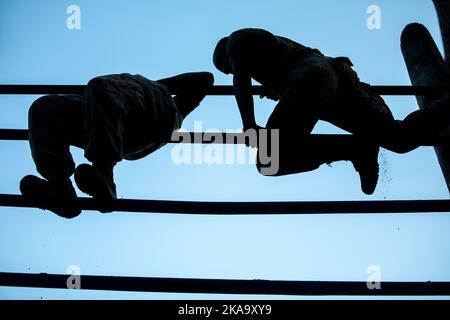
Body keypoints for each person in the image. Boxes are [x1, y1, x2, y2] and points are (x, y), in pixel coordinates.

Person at [213, 28, 450, 195]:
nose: (231, 70)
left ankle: (355, 149)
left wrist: (249, 124)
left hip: (313, 77)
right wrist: (275, 90)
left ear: (227, 51)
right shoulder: (276, 54)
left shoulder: (237, 39)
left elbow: (241, 79)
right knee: (399, 139)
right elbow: (284, 68)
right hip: (333, 76)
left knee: (269, 161)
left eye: (228, 66)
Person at [20, 72, 214, 218]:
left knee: (99, 86)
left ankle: (104, 172)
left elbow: (205, 78)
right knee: (45, 105)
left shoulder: (169, 107)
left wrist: (154, 86)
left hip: (143, 118)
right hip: (111, 117)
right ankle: (60, 186)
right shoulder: (122, 92)